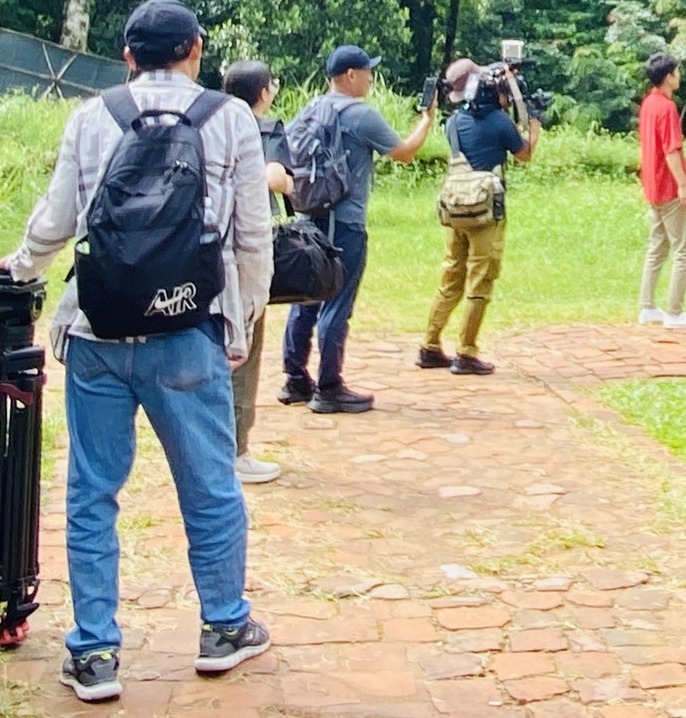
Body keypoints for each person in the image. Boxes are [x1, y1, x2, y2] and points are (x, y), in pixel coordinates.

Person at [0, 0, 273, 705]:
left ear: (126, 56)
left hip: (98, 330)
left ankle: (93, 652)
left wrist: (22, 267)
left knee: (93, 490)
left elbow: (58, 219)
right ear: (196, 50)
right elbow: (250, 238)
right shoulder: (230, 118)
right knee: (210, 484)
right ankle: (223, 627)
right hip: (188, 333)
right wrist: (237, 326)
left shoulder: (93, 116)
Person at [279, 44, 434, 414]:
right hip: (344, 222)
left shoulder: (311, 108)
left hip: (308, 217)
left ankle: (296, 380)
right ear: (350, 75)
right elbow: (404, 152)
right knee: (337, 301)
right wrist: (426, 119)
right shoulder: (360, 114)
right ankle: (329, 387)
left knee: (306, 297)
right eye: (367, 71)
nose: (370, 78)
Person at [417, 57, 540, 375]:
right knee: (480, 280)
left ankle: (430, 344)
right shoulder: (500, 121)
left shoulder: (453, 122)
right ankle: (466, 352)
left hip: (457, 208)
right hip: (486, 211)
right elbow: (525, 153)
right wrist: (534, 123)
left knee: (451, 277)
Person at [220, 59, 297, 486]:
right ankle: (237, 451)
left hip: (197, 253)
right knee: (244, 351)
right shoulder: (264, 129)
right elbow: (272, 177)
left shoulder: (204, 119)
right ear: (264, 93)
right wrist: (286, 182)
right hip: (245, 254)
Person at [637, 52, 686, 328]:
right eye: (676, 71)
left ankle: (647, 307)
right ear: (668, 77)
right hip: (668, 187)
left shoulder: (648, 104)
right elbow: (671, 150)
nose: (679, 75)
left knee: (657, 247)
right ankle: (675, 312)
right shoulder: (666, 108)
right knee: (683, 250)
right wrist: (683, 186)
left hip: (652, 186)